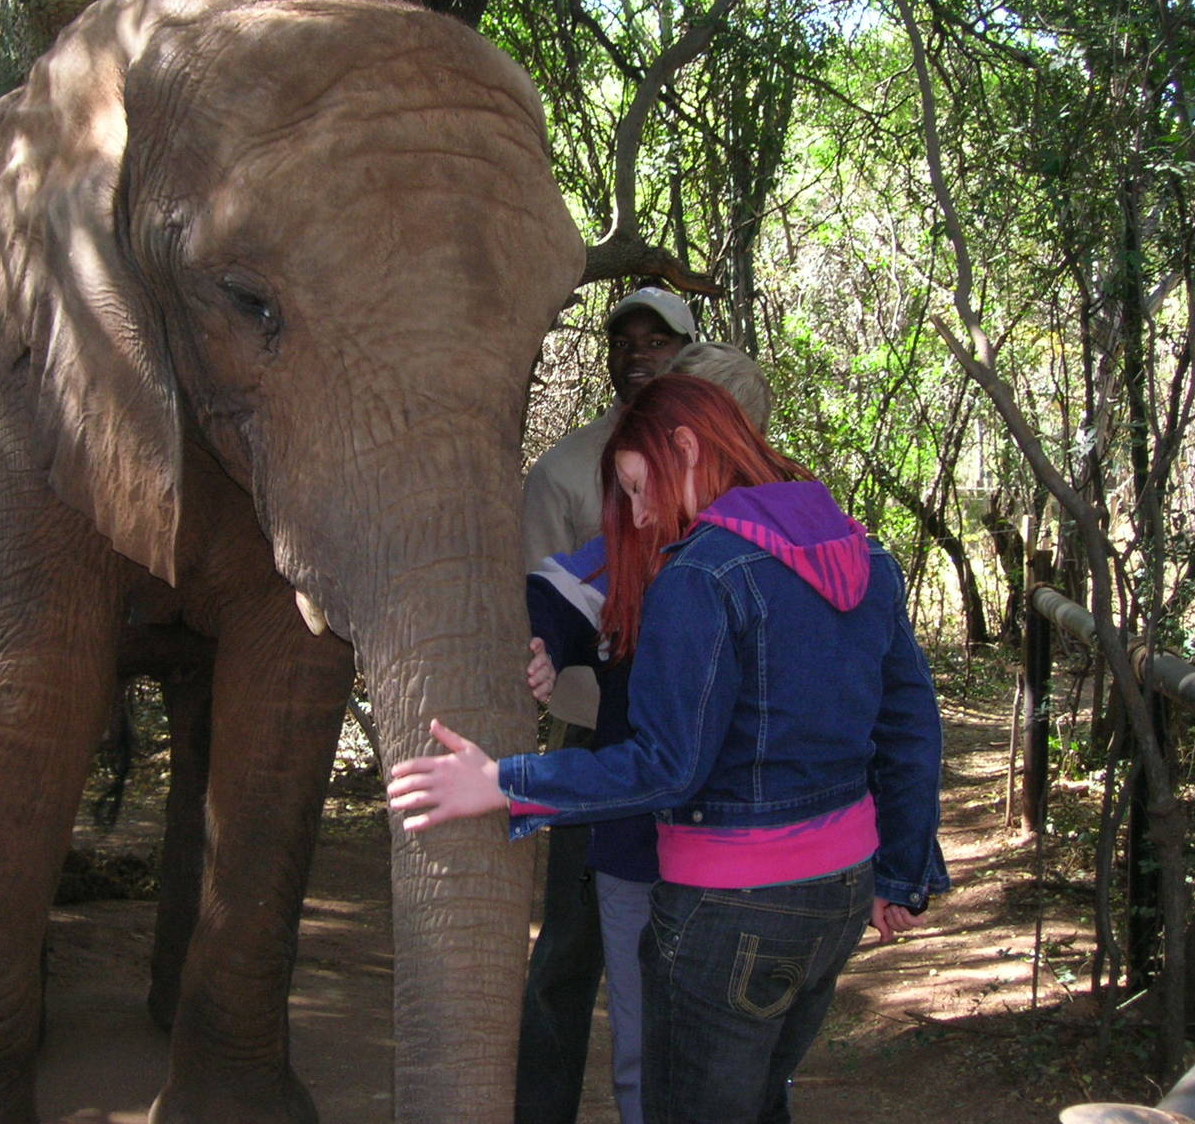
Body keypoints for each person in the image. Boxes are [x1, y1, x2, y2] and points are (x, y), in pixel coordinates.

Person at [391, 373, 950, 1124]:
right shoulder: (863, 555)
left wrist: (505, 782)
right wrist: (903, 870)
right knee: (758, 1104)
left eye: (636, 483)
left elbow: (667, 766)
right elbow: (910, 727)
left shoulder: (701, 574)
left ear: (686, 446)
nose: (641, 510)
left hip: (731, 907)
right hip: (840, 894)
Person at [527, 338, 773, 1124]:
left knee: (740, 1053)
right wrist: (543, 643)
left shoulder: (779, 547)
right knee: (642, 1044)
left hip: (743, 851)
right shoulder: (632, 537)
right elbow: (563, 589)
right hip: (637, 842)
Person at [515, 287, 695, 1124]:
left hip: (698, 739)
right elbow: (547, 599)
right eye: (623, 340)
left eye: (658, 340)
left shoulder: (714, 450)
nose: (637, 353)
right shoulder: (562, 469)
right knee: (572, 946)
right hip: (594, 734)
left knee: (684, 939)